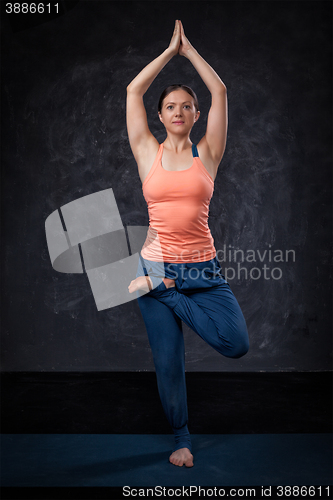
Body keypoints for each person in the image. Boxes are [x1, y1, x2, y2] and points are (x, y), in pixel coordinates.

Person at [127, 20, 249, 468]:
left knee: (235, 342)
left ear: (196, 116)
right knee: (169, 362)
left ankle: (161, 290)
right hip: (157, 264)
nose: (179, 111)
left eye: (187, 107)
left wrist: (189, 50)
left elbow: (220, 92)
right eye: (171, 106)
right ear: (160, 116)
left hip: (201, 270)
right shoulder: (146, 151)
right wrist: (167, 53)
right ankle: (182, 439)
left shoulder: (208, 153)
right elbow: (131, 91)